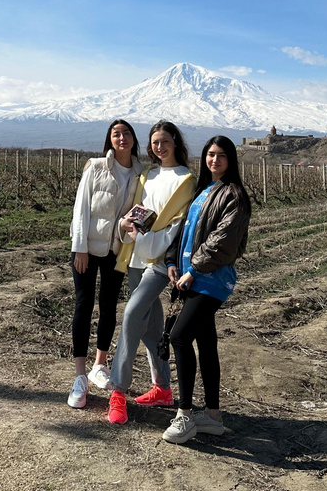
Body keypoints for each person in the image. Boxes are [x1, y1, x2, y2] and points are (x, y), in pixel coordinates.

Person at [161, 135, 251, 443]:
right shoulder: (203, 191)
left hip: (210, 279)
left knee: (179, 337)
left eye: (222, 155)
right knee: (206, 343)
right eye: (211, 154)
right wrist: (173, 261)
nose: (215, 160)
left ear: (231, 160)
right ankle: (212, 417)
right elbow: (185, 233)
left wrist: (194, 270)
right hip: (192, 276)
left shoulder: (233, 195)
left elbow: (223, 242)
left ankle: (185, 414)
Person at [107, 121, 196, 424]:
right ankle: (163, 388)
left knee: (132, 314)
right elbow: (139, 210)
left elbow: (176, 229)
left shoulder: (186, 180)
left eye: (165, 141)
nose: (160, 147)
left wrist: (143, 241)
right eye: (155, 142)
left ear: (175, 142)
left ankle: (117, 390)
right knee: (151, 328)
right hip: (137, 257)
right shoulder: (148, 174)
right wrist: (131, 224)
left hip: (160, 263)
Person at [67, 119, 145, 408]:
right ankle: (79, 376)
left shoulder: (141, 174)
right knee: (83, 304)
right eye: (116, 134)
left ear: (134, 139)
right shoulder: (96, 167)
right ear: (109, 140)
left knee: (109, 304)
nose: (121, 138)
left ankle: (99, 366)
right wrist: (80, 247)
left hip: (117, 249)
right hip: (87, 248)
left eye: (126, 133)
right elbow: (81, 208)